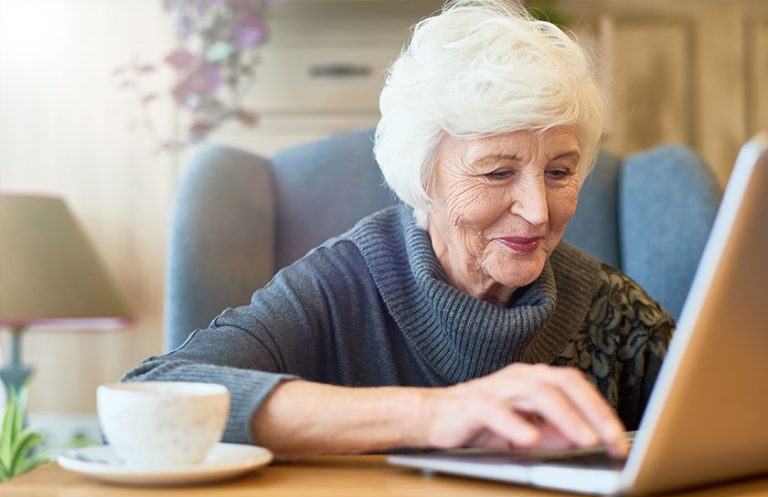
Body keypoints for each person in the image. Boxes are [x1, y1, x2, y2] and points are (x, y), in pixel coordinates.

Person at [124, 0, 673, 460]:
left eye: (559, 172)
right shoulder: (334, 293)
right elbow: (149, 398)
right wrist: (432, 416)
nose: (537, 211)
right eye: (497, 171)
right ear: (423, 175)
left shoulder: (614, 311)